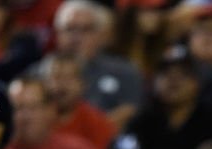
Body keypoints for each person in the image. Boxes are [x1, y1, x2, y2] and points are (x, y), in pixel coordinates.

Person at [53, 0, 144, 129]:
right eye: (69, 29)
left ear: (101, 34)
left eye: (85, 30)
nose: (76, 37)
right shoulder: (38, 73)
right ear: (57, 33)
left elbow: (132, 112)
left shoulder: (125, 72)